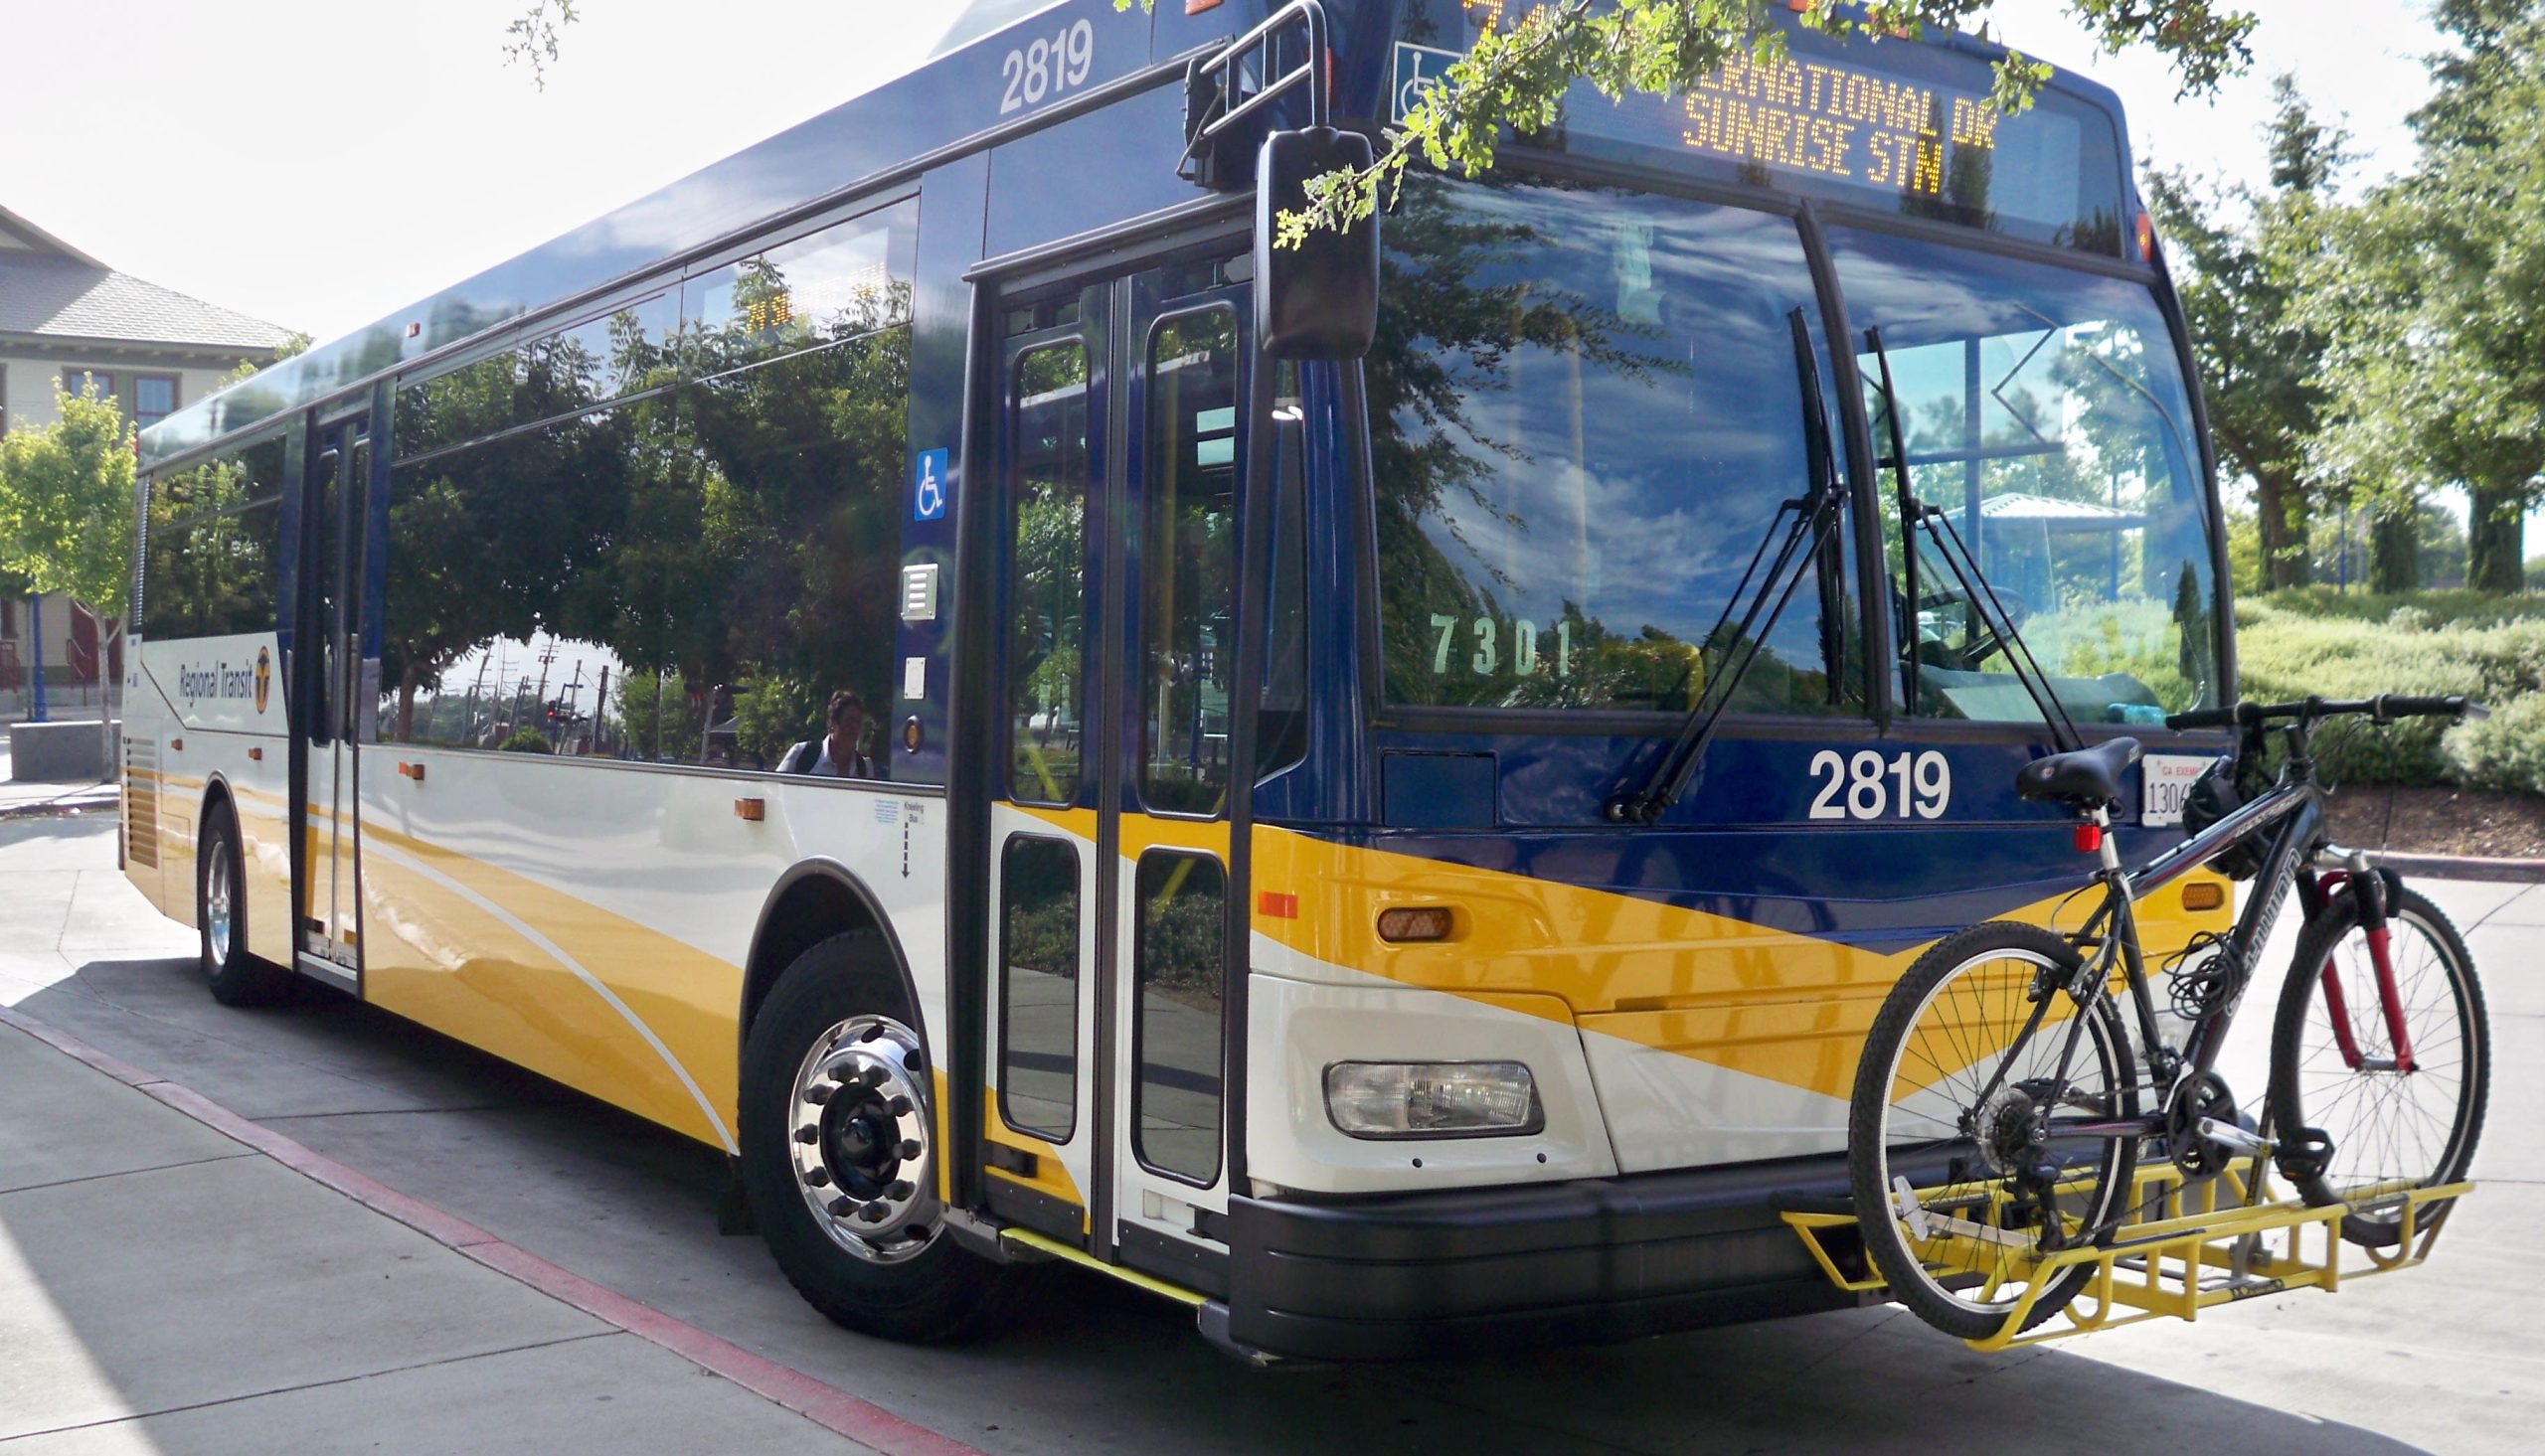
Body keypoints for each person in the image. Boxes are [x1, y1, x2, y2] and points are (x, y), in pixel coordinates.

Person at [777, 690, 879, 779]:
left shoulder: (864, 767)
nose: (854, 728)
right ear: (833, 724)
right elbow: (774, 788)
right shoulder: (802, 754)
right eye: (849, 721)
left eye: (858, 722)